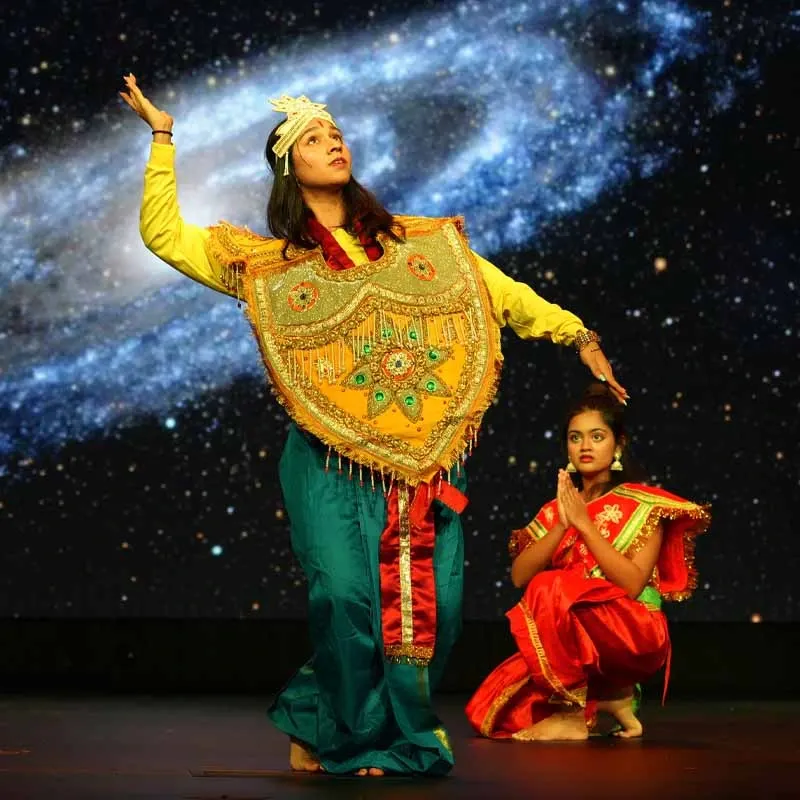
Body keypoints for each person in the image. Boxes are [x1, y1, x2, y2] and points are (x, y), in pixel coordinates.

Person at [120, 73, 630, 776]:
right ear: (287, 166)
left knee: (435, 613)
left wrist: (574, 334)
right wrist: (163, 136)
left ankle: (322, 717)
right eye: (313, 139)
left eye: (336, 134)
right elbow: (164, 234)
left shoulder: (418, 245)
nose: (333, 143)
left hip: (423, 460)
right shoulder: (265, 265)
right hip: (330, 464)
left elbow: (498, 291)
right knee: (346, 600)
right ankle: (359, 741)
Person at [465, 384, 711, 741]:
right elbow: (519, 576)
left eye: (597, 436)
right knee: (490, 709)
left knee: (549, 585)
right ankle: (614, 700)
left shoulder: (644, 506)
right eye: (575, 437)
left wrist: (584, 525)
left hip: (633, 633)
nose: (585, 446)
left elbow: (631, 584)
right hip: (577, 637)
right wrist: (563, 523)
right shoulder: (559, 507)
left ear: (618, 445)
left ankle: (573, 713)